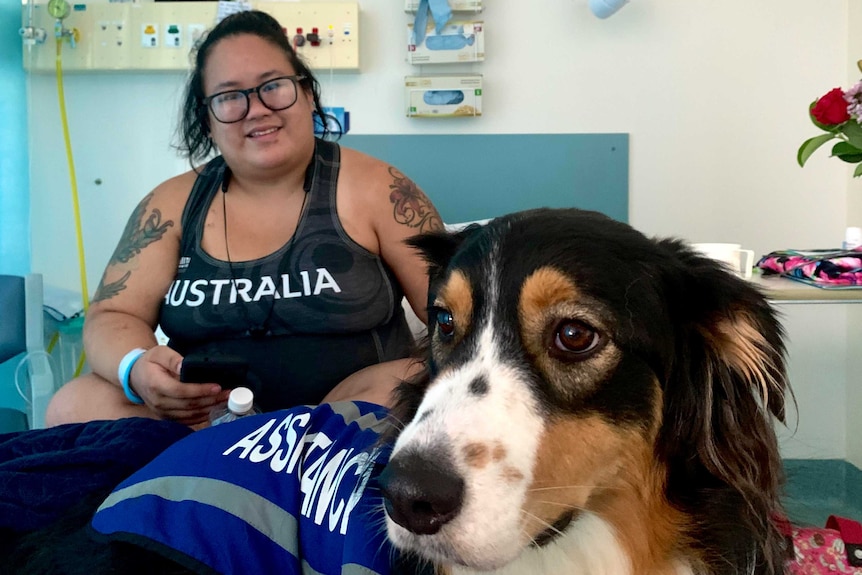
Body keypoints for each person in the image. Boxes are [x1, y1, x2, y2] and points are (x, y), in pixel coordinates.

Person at [46, 10, 442, 428]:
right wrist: (137, 369)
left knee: (409, 382)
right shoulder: (168, 205)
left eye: (273, 86)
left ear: (307, 94)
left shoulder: (380, 188)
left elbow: (458, 310)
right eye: (230, 96)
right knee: (75, 404)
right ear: (208, 120)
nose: (256, 109)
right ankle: (225, 471)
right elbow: (113, 315)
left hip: (341, 423)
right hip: (200, 424)